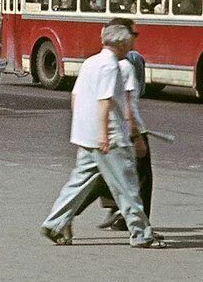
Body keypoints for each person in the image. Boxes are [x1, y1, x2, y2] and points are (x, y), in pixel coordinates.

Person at [40, 22, 165, 248]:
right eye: (128, 40)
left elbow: (76, 96)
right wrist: (105, 135)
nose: (130, 45)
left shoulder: (90, 62)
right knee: (127, 185)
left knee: (79, 183)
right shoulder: (111, 66)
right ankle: (141, 234)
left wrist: (82, 128)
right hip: (109, 135)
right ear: (119, 42)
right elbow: (105, 101)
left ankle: (55, 223)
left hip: (85, 134)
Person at [83, 18, 156, 230]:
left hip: (102, 129)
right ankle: (135, 225)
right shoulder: (130, 62)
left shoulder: (96, 61)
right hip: (124, 130)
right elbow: (129, 103)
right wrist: (137, 134)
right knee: (139, 179)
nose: (134, 38)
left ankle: (67, 214)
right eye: (133, 34)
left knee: (98, 174)